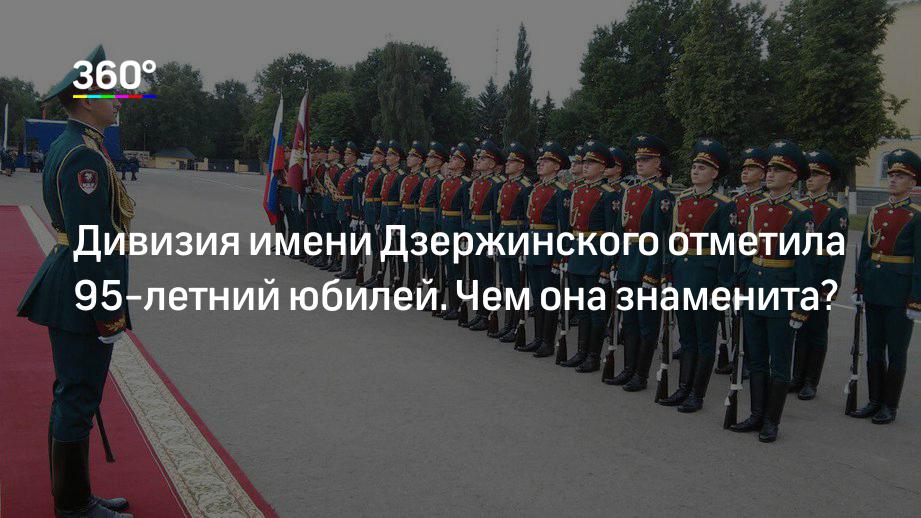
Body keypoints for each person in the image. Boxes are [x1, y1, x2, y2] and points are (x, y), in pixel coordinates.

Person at [17, 44, 134, 517]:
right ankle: (73, 506)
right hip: (82, 289)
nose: (118, 100)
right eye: (109, 92)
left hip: (73, 283)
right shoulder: (83, 156)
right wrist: (106, 308)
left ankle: (74, 495)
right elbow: (91, 241)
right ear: (86, 100)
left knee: (72, 393)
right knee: (78, 395)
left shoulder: (78, 146)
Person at [730, 140, 814, 443]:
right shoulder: (756, 208)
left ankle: (771, 421)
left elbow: (806, 264)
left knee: (779, 363)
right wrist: (740, 286)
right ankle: (756, 414)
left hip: (781, 294)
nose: (770, 174)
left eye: (778, 170)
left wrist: (802, 305)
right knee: (755, 359)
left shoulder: (800, 214)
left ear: (792, 177)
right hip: (755, 288)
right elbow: (746, 251)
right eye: (770, 169)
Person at [659, 139, 734, 412]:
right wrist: (668, 273)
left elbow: (728, 250)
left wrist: (723, 286)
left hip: (706, 279)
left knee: (704, 340)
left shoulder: (723, 205)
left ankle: (697, 394)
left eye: (702, 167)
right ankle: (683, 388)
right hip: (682, 275)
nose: (695, 171)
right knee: (686, 338)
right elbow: (672, 240)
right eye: (694, 166)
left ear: (714, 173)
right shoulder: (682, 200)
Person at [850, 148, 921, 424]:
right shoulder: (876, 212)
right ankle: (874, 400)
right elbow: (866, 253)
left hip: (900, 292)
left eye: (900, 176)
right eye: (891, 174)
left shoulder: (916, 215)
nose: (893, 179)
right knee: (874, 348)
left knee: (896, 351)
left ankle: (890, 406)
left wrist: (916, 299)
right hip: (875, 287)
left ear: (912, 182)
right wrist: (859, 286)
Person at [606, 134, 675, 390]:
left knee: (646, 324)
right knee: (630, 321)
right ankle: (628, 368)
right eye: (638, 159)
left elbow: (660, 238)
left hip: (647, 263)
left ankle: (641, 374)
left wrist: (653, 272)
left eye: (646, 159)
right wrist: (615, 263)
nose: (640, 163)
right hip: (627, 261)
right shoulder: (630, 191)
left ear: (658, 163)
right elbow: (619, 231)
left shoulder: (661, 194)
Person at [789, 150, 848, 400]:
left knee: (816, 329)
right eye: (808, 174)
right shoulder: (799, 206)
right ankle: (797, 376)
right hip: (799, 274)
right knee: (798, 326)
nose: (810, 179)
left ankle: (811, 380)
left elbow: (838, 252)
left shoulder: (835, 211)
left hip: (820, 275)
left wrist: (831, 285)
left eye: (816, 174)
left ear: (828, 178)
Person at [558, 140, 619, 372]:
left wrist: (606, 266)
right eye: (584, 162)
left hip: (595, 257)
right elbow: (570, 228)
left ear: (602, 168)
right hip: (577, 255)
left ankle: (593, 355)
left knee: (596, 311)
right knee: (582, 309)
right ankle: (581, 352)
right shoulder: (578, 191)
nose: (585, 166)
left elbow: (611, 234)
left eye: (591, 163)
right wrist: (566, 255)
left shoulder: (608, 195)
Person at [520, 141, 570, 357]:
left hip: (548, 248)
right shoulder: (536, 189)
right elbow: (528, 222)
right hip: (533, 246)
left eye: (546, 161)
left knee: (549, 298)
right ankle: (538, 338)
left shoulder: (561, 192)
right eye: (540, 160)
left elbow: (563, 228)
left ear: (557, 166)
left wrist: (559, 257)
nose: (540, 163)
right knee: (537, 297)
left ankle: (548, 342)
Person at [495, 142, 533, 343]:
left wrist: (524, 244)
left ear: (521, 165)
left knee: (517, 285)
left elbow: (528, 220)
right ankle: (508, 324)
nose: (507, 164)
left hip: (516, 236)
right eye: (508, 161)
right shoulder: (505, 186)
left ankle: (518, 325)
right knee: (508, 284)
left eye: (512, 161)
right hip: (504, 235)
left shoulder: (525, 187)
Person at [467, 145, 502, 330]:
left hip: (486, 233)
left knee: (487, 277)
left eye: (483, 159)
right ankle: (479, 312)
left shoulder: (496, 184)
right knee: (477, 276)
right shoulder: (477, 182)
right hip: (475, 231)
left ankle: (488, 314)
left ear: (491, 164)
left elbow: (496, 215)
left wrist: (494, 240)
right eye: (478, 159)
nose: (479, 161)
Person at [439, 143, 473, 317]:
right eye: (451, 157)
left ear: (462, 163)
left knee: (458, 270)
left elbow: (467, 213)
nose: (451, 160)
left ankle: (458, 306)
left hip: (457, 231)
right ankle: (452, 305)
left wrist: (465, 235)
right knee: (449, 269)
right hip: (446, 227)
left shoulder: (466, 183)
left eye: (455, 158)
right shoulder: (446, 182)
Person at [397, 141, 426, 291]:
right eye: (408, 155)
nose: (408, 158)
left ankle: (413, 288)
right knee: (408, 256)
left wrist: (419, 225)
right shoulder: (407, 178)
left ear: (419, 160)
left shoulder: (423, 178)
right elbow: (402, 202)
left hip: (414, 220)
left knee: (415, 257)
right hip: (405, 218)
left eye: (412, 156)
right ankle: (408, 287)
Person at [419, 142, 448, 288]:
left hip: (433, 223)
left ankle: (436, 289)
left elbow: (440, 205)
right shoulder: (428, 179)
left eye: (431, 157)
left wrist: (438, 226)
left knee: (434, 258)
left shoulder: (440, 181)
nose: (427, 159)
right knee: (427, 257)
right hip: (424, 220)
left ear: (438, 161)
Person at [359, 140, 388, 287]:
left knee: (379, 246)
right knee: (373, 246)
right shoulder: (371, 173)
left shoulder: (383, 174)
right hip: (369, 210)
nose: (373, 156)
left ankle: (379, 276)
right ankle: (373, 275)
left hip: (376, 210)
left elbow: (383, 197)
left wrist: (378, 217)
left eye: (377, 153)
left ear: (382, 158)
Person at [379, 141, 407, 288]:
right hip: (385, 213)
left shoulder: (401, 176)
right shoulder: (388, 175)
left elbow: (401, 201)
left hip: (394, 214)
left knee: (397, 251)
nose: (387, 158)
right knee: (387, 250)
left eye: (390, 155)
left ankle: (397, 282)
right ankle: (390, 281)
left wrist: (397, 222)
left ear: (397, 158)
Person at [334, 141, 364, 279]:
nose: (345, 156)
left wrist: (355, 216)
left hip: (350, 209)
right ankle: (347, 268)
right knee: (346, 239)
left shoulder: (357, 173)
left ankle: (353, 269)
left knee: (352, 241)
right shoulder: (346, 172)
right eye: (345, 154)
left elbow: (357, 196)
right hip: (343, 207)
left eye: (348, 154)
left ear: (354, 157)